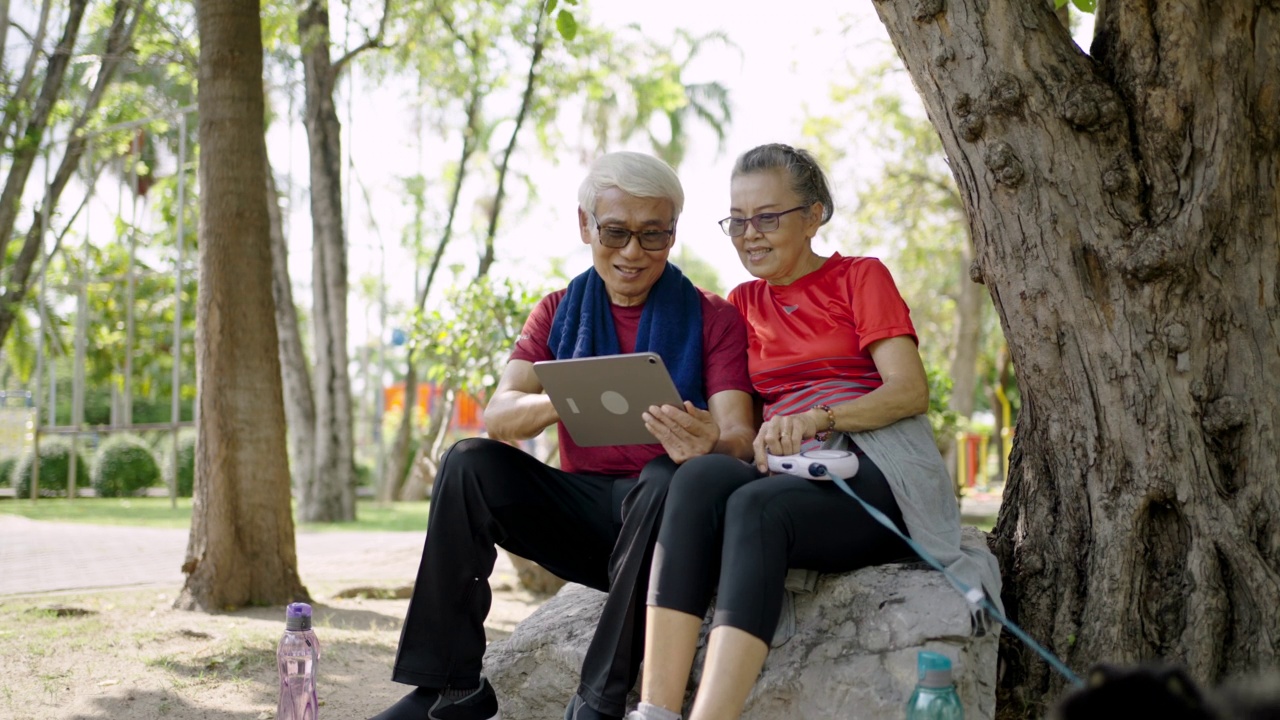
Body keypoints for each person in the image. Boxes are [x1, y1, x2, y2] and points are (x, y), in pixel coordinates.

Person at [370, 151, 757, 720]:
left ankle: (597, 701)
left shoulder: (712, 318)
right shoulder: (556, 312)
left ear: (673, 234)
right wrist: (567, 395)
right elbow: (499, 414)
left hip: (669, 532)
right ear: (585, 225)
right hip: (584, 518)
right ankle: (448, 687)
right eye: (616, 231)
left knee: (665, 476)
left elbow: (740, 437)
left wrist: (709, 441)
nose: (632, 252)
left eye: (653, 235)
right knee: (468, 462)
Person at [624, 144, 1004, 720]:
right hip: (789, 467)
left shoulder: (860, 277)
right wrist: (711, 438)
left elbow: (908, 391)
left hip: (875, 465)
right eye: (738, 221)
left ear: (814, 215)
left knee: (756, 509)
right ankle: (653, 711)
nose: (750, 234)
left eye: (768, 217)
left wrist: (821, 418)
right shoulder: (743, 302)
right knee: (698, 479)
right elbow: (744, 426)